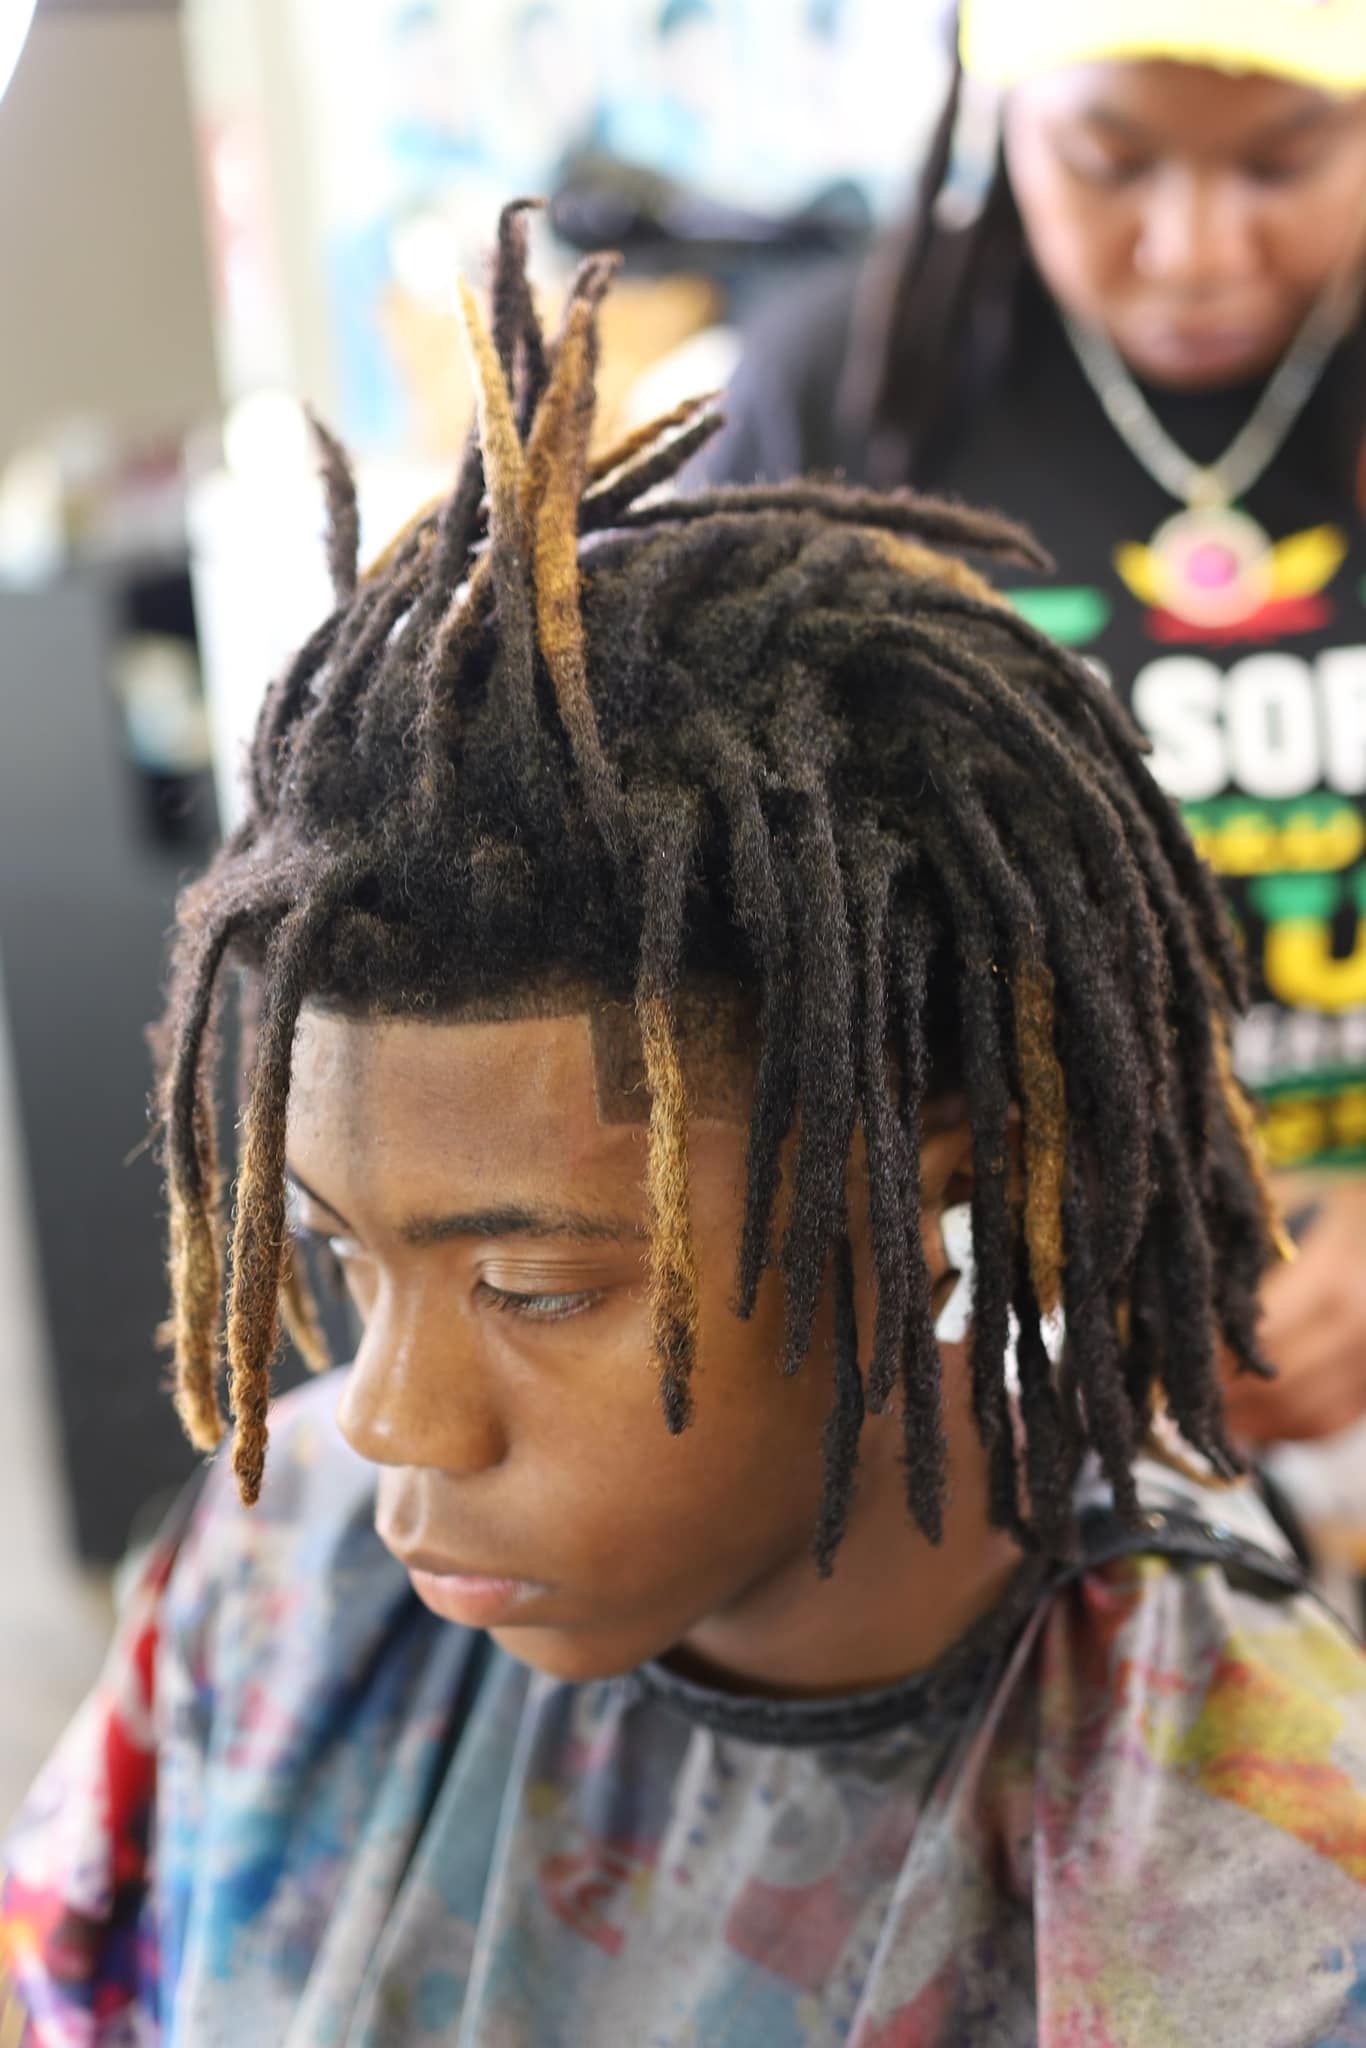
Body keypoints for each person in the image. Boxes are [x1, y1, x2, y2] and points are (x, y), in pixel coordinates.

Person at [4, 209, 1366, 2047]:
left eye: (539, 1285)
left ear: (934, 1187)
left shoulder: (1237, 1842)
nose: (385, 1418)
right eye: (339, 1255)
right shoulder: (281, 1561)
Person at [702, 0, 1366, 1453]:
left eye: (1281, 163)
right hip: (995, 1359)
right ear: (999, 117)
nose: (1193, 247)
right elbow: (704, 917)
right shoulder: (852, 393)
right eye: (1109, 162)